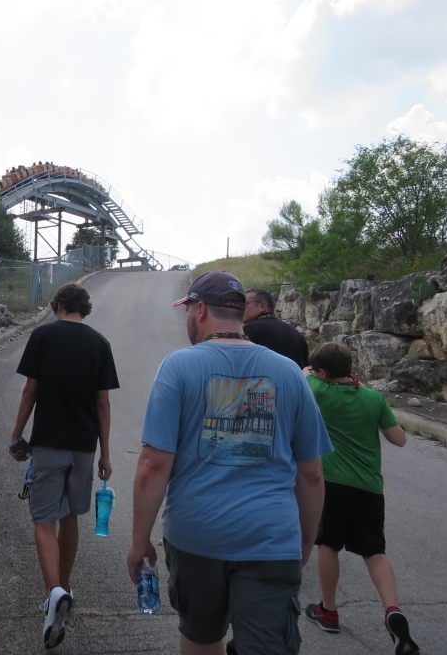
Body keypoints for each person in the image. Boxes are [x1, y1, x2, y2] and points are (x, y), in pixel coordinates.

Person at [127, 271, 331, 655]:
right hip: (271, 539)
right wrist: (305, 538)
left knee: (202, 638)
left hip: (196, 538)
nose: (187, 317)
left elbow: (154, 464)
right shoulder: (289, 372)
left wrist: (139, 541)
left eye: (188, 309)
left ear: (200, 310)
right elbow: (311, 473)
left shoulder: (178, 367)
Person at [10, 282, 119, 650]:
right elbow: (103, 404)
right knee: (70, 516)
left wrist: (16, 434)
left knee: (44, 519)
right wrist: (105, 453)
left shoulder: (43, 337)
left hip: (49, 444)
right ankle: (65, 588)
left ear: (58, 306)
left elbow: (30, 390)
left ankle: (53, 592)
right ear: (84, 309)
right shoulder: (100, 344)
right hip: (84, 448)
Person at [302, 343, 419, 655]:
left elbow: (304, 373)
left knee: (328, 544)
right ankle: (393, 610)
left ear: (322, 372)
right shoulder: (373, 397)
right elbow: (400, 439)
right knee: (374, 551)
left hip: (333, 484)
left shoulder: (317, 389)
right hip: (369, 486)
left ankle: (328, 610)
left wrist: (313, 372)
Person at [243, 288, 310, 368]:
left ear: (262, 306)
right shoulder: (295, 332)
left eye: (245, 303)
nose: (240, 308)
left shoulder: (250, 329)